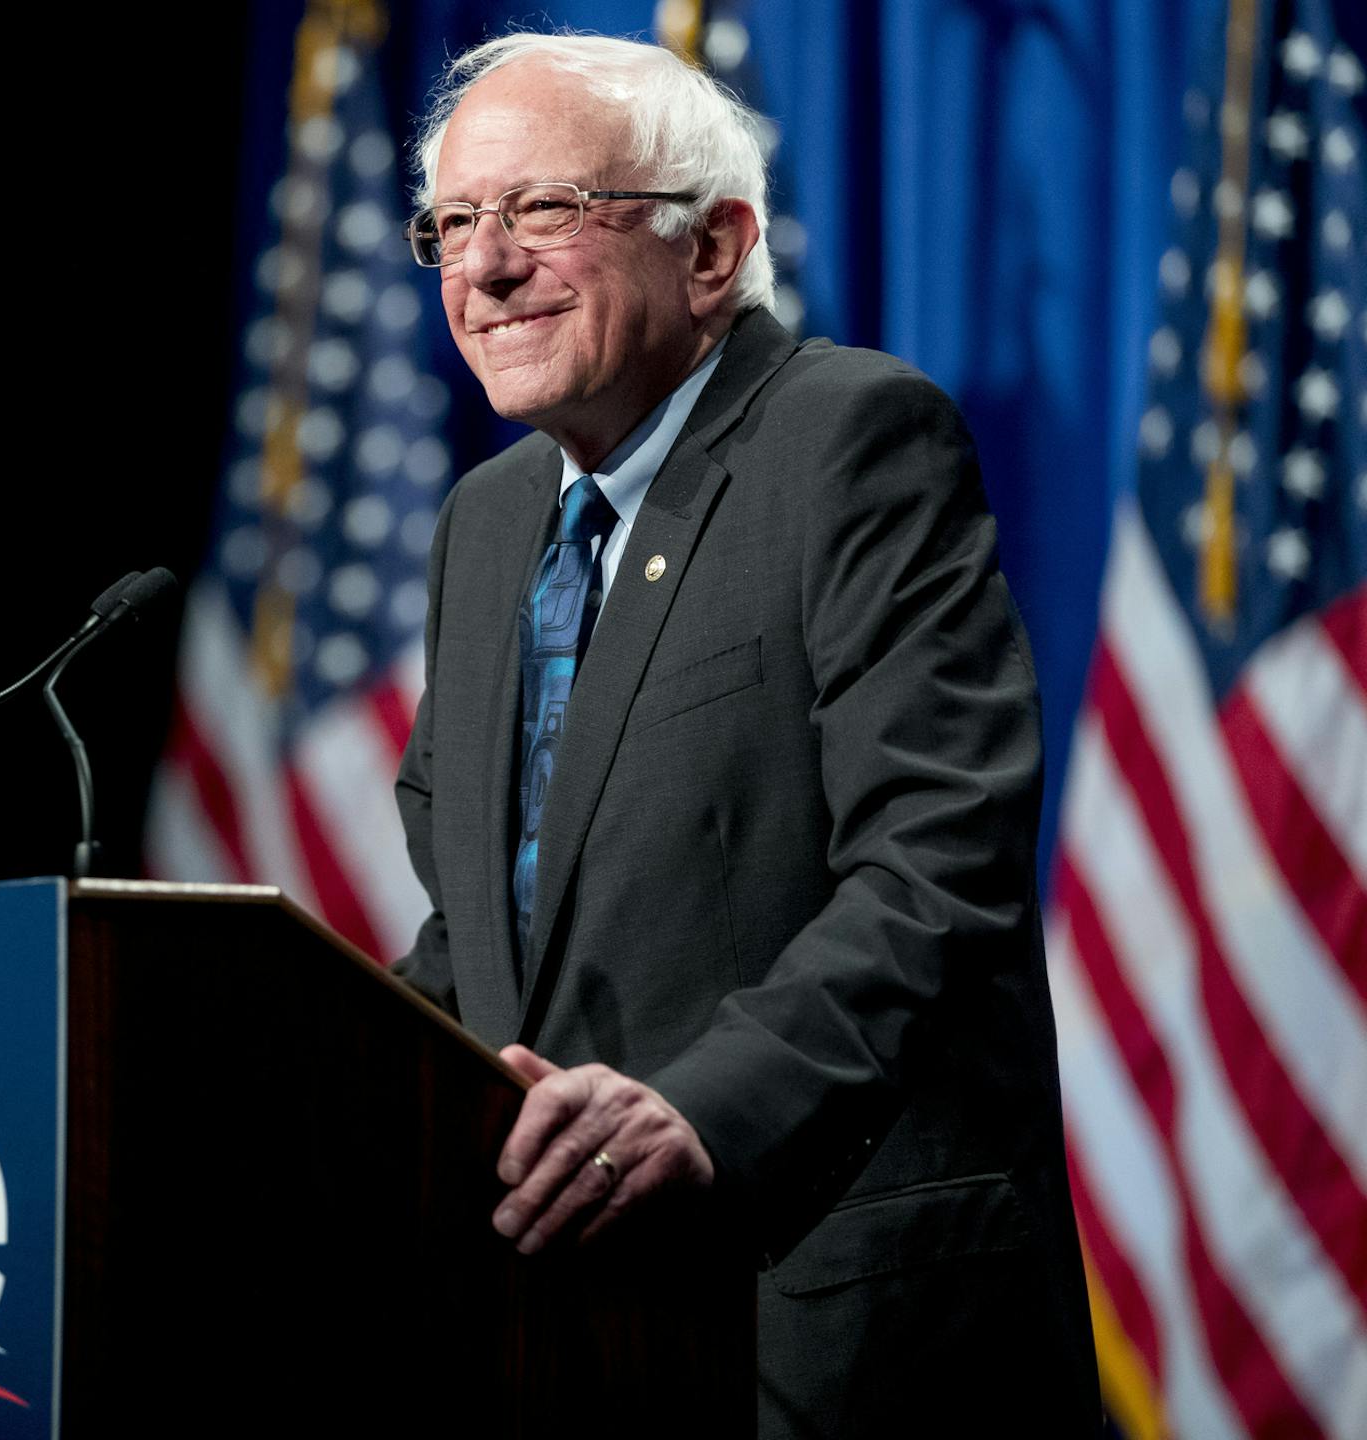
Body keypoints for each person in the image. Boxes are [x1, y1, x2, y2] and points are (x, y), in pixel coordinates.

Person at [389, 33, 1099, 1436]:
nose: (485, 267)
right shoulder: (486, 528)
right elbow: (487, 942)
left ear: (712, 250)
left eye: (543, 210)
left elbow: (935, 863)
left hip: (831, 1321)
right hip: (572, 1331)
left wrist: (704, 1110)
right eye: (457, 223)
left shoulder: (847, 442)